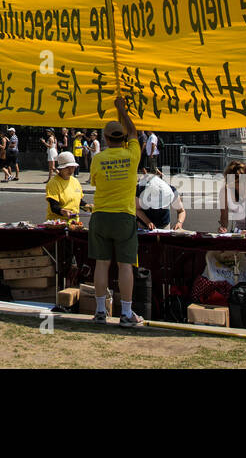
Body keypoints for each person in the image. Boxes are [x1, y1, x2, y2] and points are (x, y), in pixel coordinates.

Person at [89, 97, 144, 327]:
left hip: (101, 214)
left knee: (102, 264)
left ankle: (101, 310)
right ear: (124, 139)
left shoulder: (98, 159)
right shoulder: (132, 155)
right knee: (125, 266)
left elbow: (93, 182)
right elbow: (133, 132)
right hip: (124, 215)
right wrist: (123, 110)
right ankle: (126, 313)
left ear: (105, 138)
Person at [136, 165, 186, 230]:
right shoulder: (140, 190)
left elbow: (181, 211)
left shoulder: (172, 192)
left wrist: (179, 223)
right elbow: (137, 209)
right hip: (143, 224)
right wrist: (147, 222)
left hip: (164, 224)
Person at [45, 152, 87, 223]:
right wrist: (62, 211)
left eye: (73, 167)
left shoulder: (75, 181)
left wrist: (87, 206)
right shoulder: (53, 183)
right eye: (67, 168)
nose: (71, 170)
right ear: (61, 169)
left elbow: (78, 202)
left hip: (74, 222)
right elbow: (54, 206)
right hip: (58, 223)